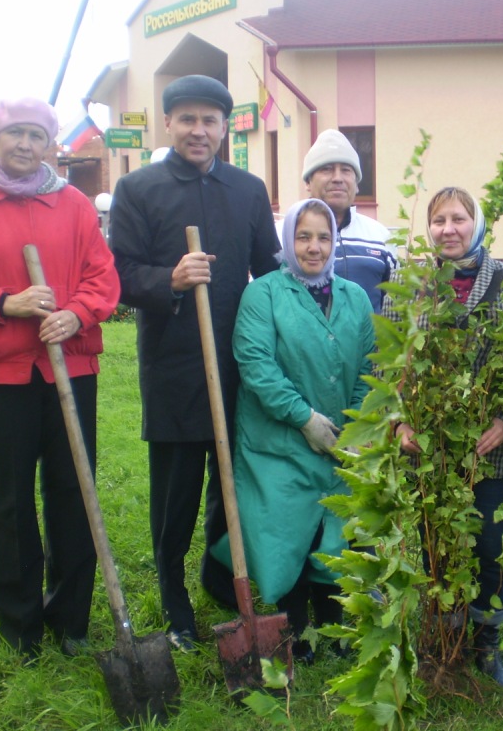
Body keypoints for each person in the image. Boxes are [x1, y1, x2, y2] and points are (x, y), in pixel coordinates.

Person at [0, 97, 120, 659]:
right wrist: (4, 302)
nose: (25, 144)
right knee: (9, 502)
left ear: (51, 144)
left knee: (73, 493)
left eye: (36, 134)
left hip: (71, 370)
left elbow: (102, 279)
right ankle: (18, 628)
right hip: (2, 374)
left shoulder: (74, 204)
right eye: (14, 133)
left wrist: (75, 314)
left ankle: (70, 622)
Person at [109, 74, 281, 651]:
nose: (199, 130)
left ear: (225, 126)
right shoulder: (140, 190)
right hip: (175, 367)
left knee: (228, 484)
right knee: (176, 494)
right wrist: (171, 279)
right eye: (187, 119)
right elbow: (119, 275)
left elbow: (271, 271)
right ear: (168, 124)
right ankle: (174, 603)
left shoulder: (248, 190)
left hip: (236, 365)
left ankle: (218, 582)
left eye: (210, 120)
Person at [209, 198, 374, 663]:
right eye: (303, 236)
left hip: (340, 441)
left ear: (335, 241)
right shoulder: (263, 294)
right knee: (287, 532)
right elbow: (256, 365)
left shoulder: (355, 297)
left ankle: (332, 627)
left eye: (323, 237)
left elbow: (368, 368)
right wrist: (303, 418)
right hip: (279, 440)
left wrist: (353, 427)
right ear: (287, 241)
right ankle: (295, 629)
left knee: (335, 531)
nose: (314, 247)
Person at [389, 187, 503, 687]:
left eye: (458, 218)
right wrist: (401, 422)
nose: (448, 229)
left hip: (489, 451)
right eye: (438, 220)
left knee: (489, 549)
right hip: (429, 449)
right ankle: (442, 641)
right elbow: (390, 364)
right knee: (437, 548)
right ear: (428, 228)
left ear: (477, 224)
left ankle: (485, 645)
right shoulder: (409, 286)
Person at [297, 129, 396, 312]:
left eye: (346, 170)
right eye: (326, 169)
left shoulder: (381, 237)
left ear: (357, 183)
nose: (337, 178)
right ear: (308, 182)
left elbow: (395, 306)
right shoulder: (283, 236)